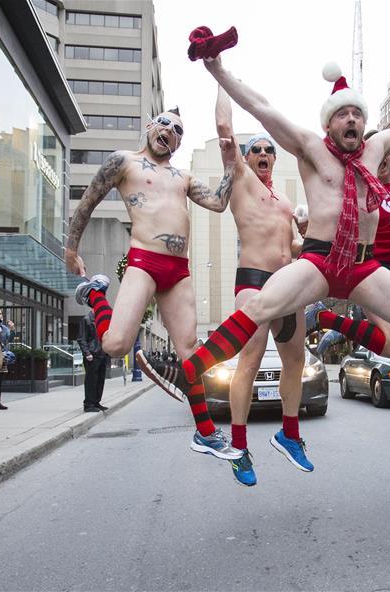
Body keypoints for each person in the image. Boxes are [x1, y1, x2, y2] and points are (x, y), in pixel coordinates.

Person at [184, 37, 390, 441]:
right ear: (329, 123)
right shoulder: (310, 147)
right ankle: (189, 372)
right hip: (321, 261)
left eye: (357, 115)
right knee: (259, 306)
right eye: (342, 115)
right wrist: (218, 70)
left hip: (364, 266)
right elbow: (263, 107)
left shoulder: (374, 149)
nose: (351, 121)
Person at [65, 106, 242, 462]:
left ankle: (206, 433)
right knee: (115, 344)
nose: (170, 131)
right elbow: (87, 202)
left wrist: (229, 166)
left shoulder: (183, 177)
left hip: (178, 271)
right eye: (164, 123)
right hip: (144, 261)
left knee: (191, 354)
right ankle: (97, 295)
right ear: (149, 127)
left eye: (177, 130)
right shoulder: (123, 162)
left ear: (178, 143)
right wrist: (71, 249)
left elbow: (220, 203)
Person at [213, 84, 312, 487]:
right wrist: (219, 77)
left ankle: (290, 434)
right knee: (249, 364)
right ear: (247, 158)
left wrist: (305, 234)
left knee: (295, 363)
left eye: (269, 151)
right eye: (256, 150)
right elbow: (224, 126)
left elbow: (295, 247)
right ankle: (238, 448)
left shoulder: (286, 202)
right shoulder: (240, 181)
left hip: (289, 284)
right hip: (253, 282)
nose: (264, 156)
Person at [305, 129, 390, 358]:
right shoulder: (357, 190)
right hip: (371, 272)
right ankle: (325, 317)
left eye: (384, 152)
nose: (380, 158)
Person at [77, 310, 111, 412]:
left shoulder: (102, 321)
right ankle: (88, 404)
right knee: (91, 380)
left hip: (102, 354)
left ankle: (96, 402)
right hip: (92, 355)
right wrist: (87, 353)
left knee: (100, 380)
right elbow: (81, 338)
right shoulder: (87, 319)